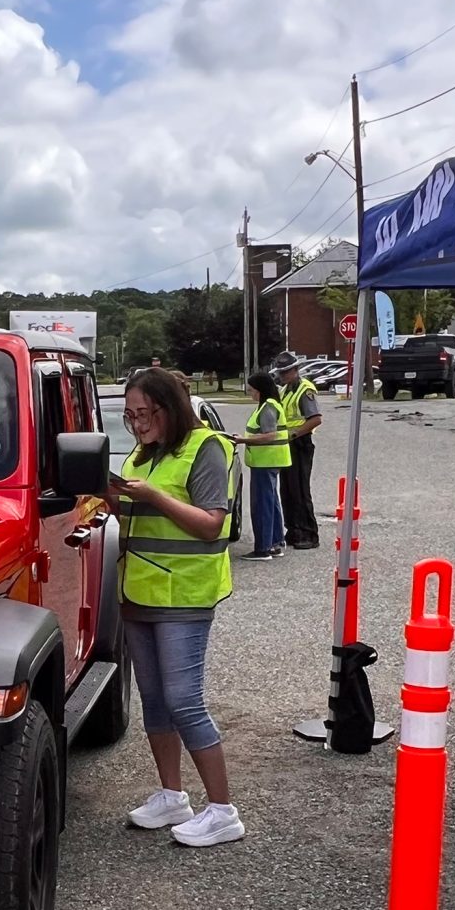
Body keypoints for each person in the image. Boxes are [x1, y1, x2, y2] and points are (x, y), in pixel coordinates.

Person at [113, 367, 245, 848]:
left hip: (184, 595)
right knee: (155, 702)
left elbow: (212, 524)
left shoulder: (208, 447)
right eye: (129, 417)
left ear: (170, 408)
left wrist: (152, 496)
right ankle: (172, 795)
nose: (137, 425)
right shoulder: (143, 453)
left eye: (144, 415)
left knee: (185, 702)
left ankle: (223, 811)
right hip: (138, 592)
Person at [232, 372, 291, 561]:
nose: (251, 394)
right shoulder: (269, 405)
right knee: (271, 502)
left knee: (262, 504)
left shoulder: (267, 408)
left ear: (260, 390)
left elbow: (270, 435)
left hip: (266, 461)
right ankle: (275, 543)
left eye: (252, 390)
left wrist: (243, 440)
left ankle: (263, 548)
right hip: (271, 461)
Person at [273, 353, 323, 549]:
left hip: (300, 443)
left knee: (300, 490)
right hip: (288, 445)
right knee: (287, 490)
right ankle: (294, 530)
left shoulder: (305, 390)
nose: (283, 375)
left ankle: (309, 534)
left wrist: (293, 434)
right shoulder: (285, 390)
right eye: (281, 372)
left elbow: (316, 419)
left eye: (286, 372)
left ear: (295, 370)